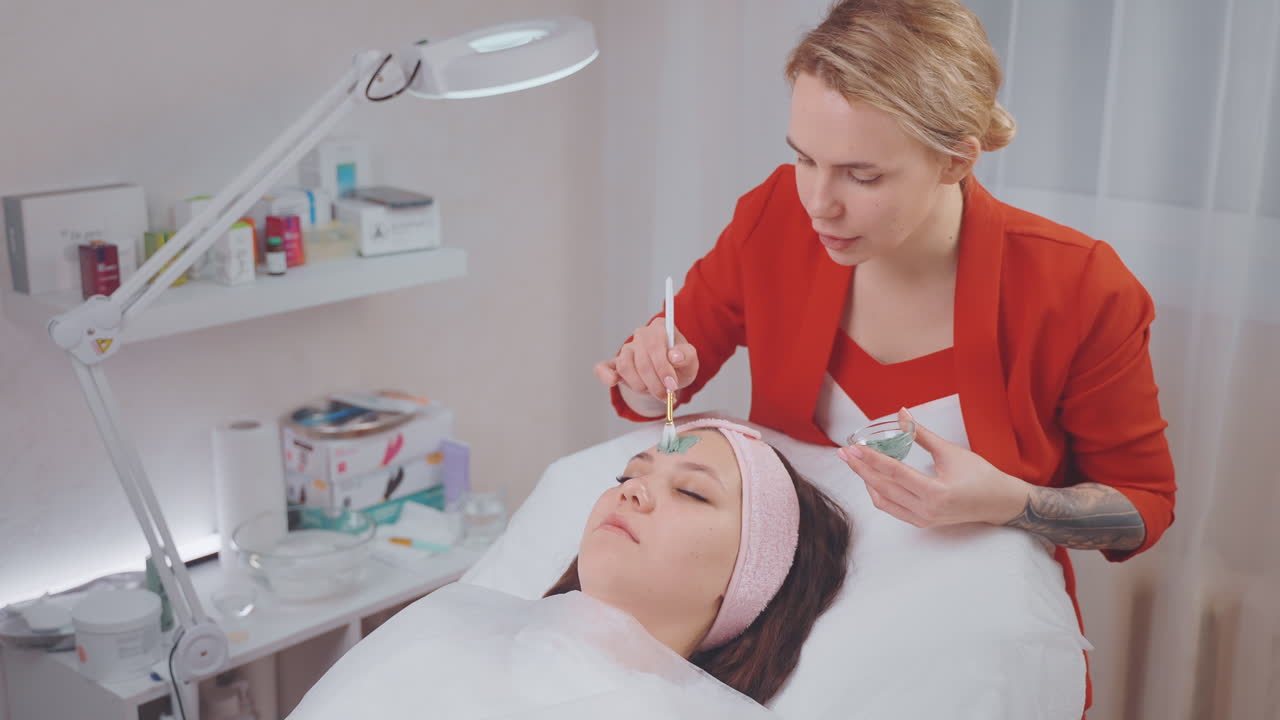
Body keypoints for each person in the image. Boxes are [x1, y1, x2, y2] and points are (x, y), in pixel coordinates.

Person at [593, 0, 1177, 712]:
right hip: (778, 639)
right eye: (803, 158)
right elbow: (669, 367)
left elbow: (1141, 507)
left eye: (861, 176)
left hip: (955, 653)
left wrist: (1013, 503)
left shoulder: (1081, 288)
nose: (818, 204)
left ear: (955, 158)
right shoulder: (773, 217)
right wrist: (654, 370)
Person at [287, 419, 851, 718]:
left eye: (692, 493)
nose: (634, 494)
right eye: (630, 476)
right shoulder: (444, 627)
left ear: (752, 581)